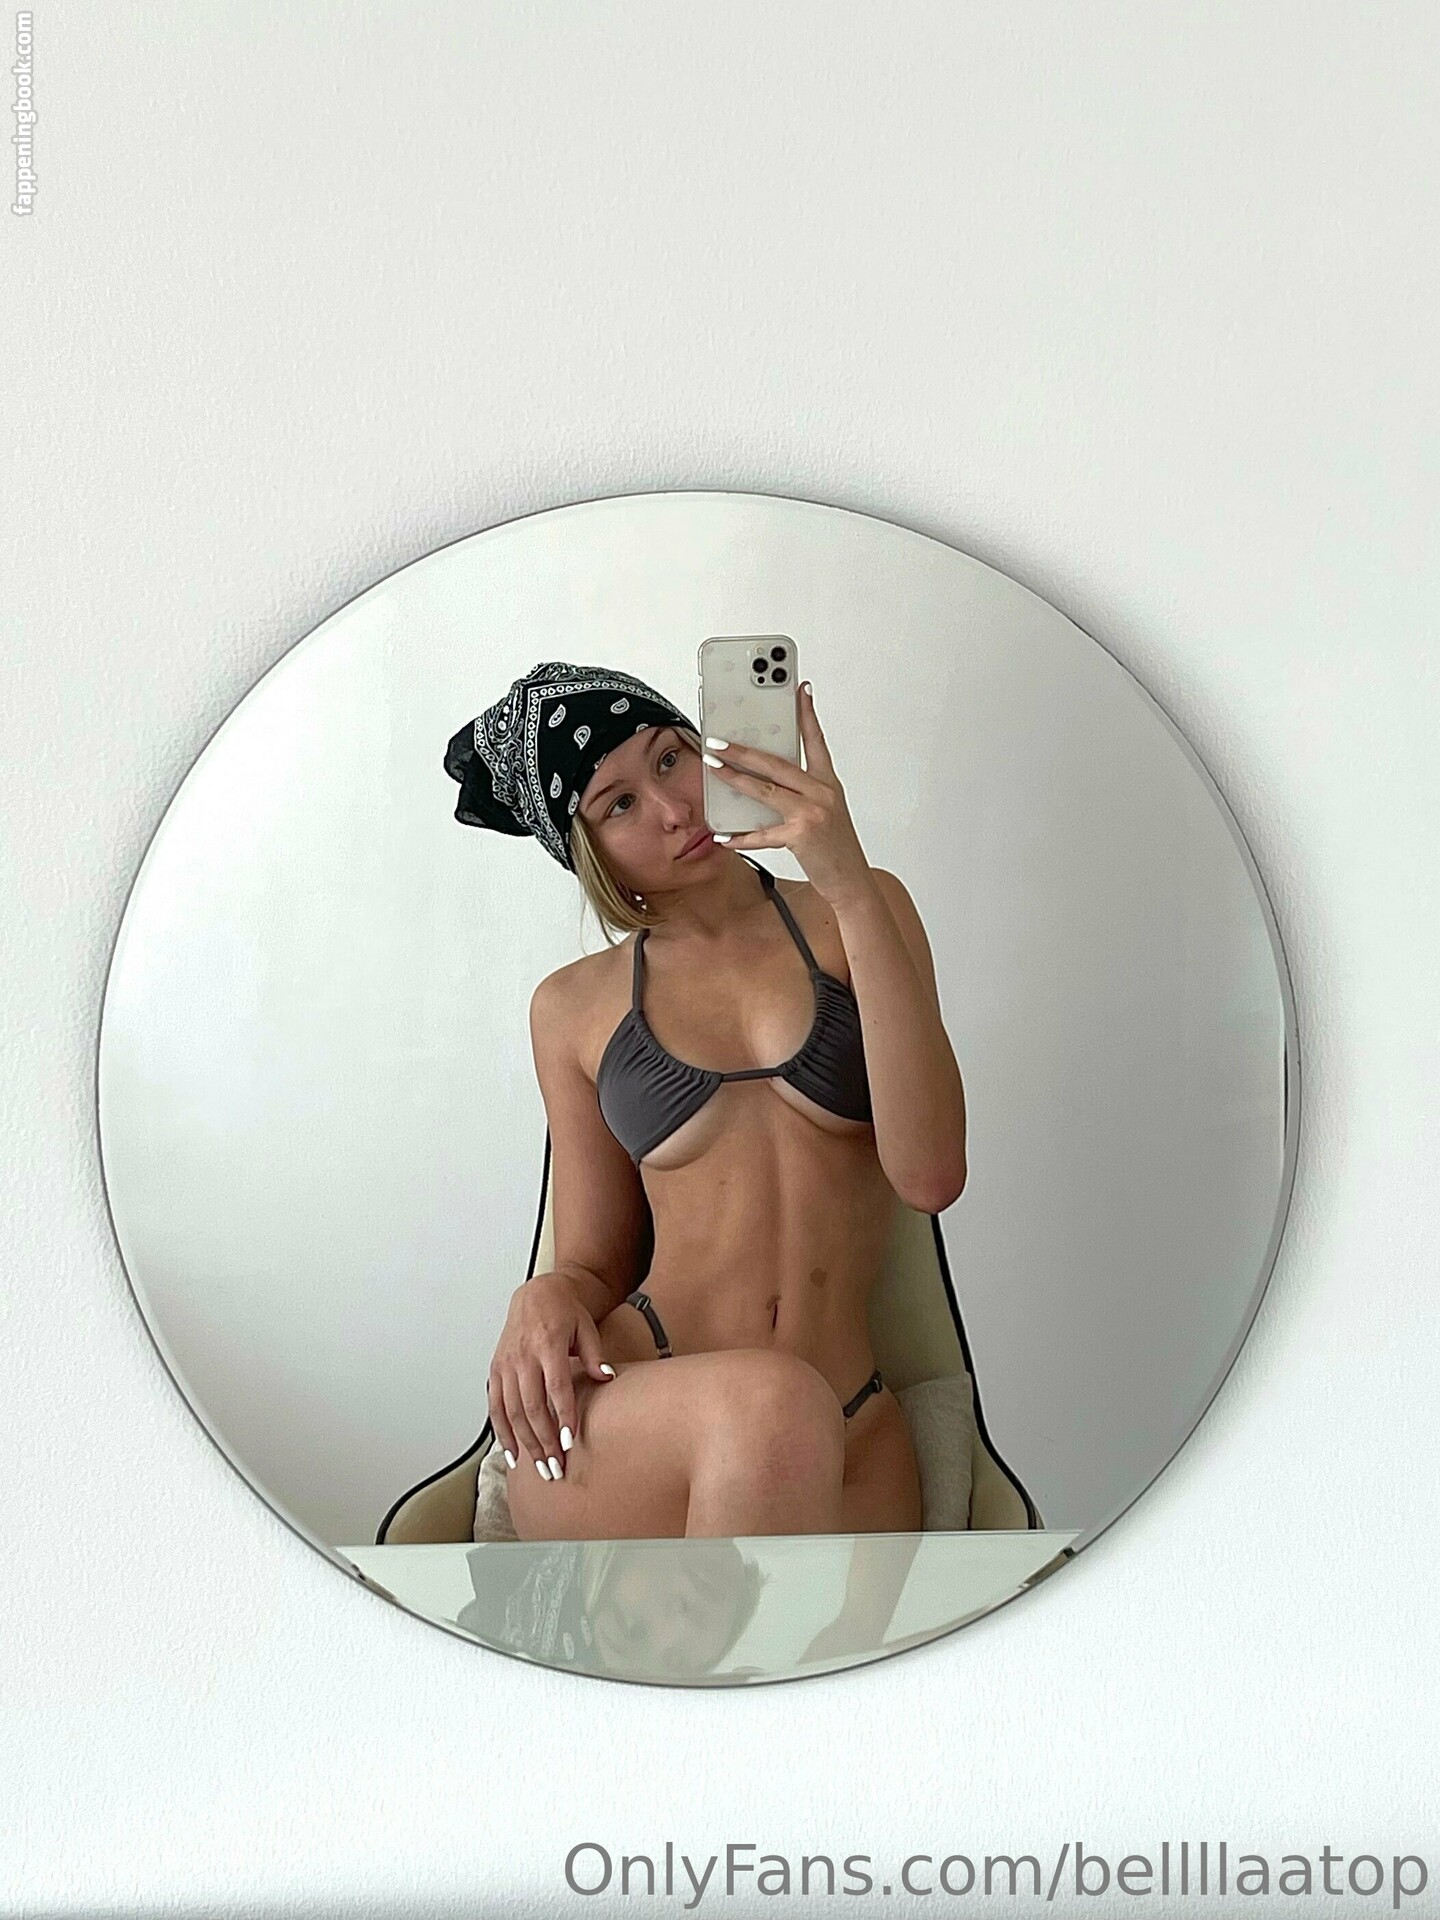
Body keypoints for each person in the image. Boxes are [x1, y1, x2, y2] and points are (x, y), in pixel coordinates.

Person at [444, 660, 968, 1540]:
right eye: (618, 804)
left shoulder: (863, 912)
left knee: (786, 1435)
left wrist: (846, 881)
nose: (672, 809)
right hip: (635, 1415)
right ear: (587, 851)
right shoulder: (572, 1007)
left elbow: (931, 1175)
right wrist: (541, 1296)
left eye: (669, 758)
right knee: (771, 1410)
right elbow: (596, 1259)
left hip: (852, 1417)